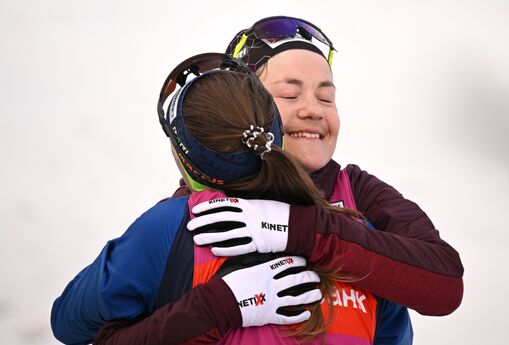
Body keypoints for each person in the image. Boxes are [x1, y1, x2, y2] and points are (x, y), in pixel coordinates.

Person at [51, 16, 463, 344]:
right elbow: (72, 323)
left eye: (326, 96)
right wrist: (217, 305)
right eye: (289, 94)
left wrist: (301, 230)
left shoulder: (360, 200)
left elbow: (443, 285)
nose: (313, 110)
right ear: (249, 107)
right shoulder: (184, 223)